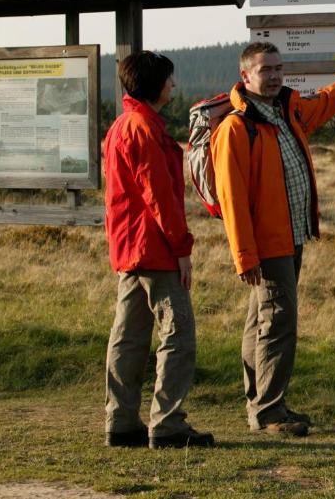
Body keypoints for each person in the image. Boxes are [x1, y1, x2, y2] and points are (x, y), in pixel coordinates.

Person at [212, 41, 335, 437]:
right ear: (245, 76)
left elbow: (331, 100)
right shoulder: (236, 128)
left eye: (279, 67)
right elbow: (232, 199)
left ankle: (260, 402)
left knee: (259, 323)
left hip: (292, 237)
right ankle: (269, 413)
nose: (275, 75)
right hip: (268, 244)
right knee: (278, 325)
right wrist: (245, 256)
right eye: (266, 69)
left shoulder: (287, 111)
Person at [103, 51, 213, 449]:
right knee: (178, 332)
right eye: (169, 79)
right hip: (155, 247)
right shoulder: (144, 128)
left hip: (129, 247)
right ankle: (167, 424)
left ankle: (121, 420)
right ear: (155, 83)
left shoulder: (122, 125)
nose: (174, 85)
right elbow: (160, 195)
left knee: (129, 336)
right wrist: (181, 248)